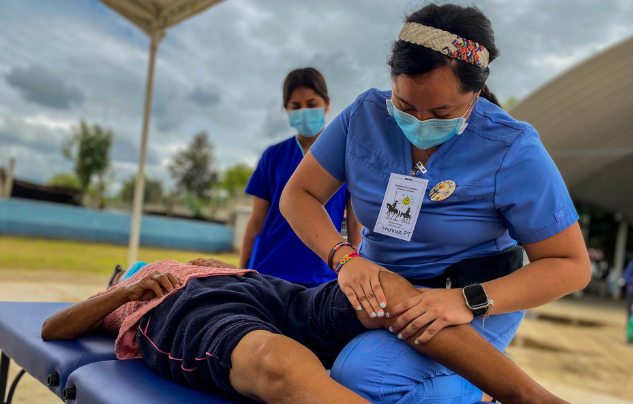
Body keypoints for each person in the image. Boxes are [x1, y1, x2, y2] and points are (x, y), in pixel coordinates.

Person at [280, 4, 591, 402]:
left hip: (473, 295)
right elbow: (299, 195)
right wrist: (344, 257)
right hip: (383, 291)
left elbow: (571, 265)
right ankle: (486, 390)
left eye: (442, 112)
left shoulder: (512, 148)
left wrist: (469, 301)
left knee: (364, 376)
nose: (421, 125)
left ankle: (489, 389)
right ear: (392, 80)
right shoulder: (364, 116)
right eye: (406, 107)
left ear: (475, 92)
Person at [42, 258, 568, 404]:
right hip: (187, 313)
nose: (128, 270)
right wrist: (122, 291)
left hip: (265, 288)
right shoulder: (123, 295)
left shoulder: (185, 259)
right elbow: (52, 327)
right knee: (278, 360)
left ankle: (532, 398)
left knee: (381, 287)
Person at [240, 68, 362, 287]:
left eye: (312, 104)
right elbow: (257, 220)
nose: (304, 111)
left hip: (322, 275)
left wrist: (356, 271)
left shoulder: (346, 156)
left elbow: (355, 223)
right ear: (286, 109)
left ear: (327, 104)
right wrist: (241, 273)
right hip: (269, 271)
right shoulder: (273, 156)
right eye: (296, 106)